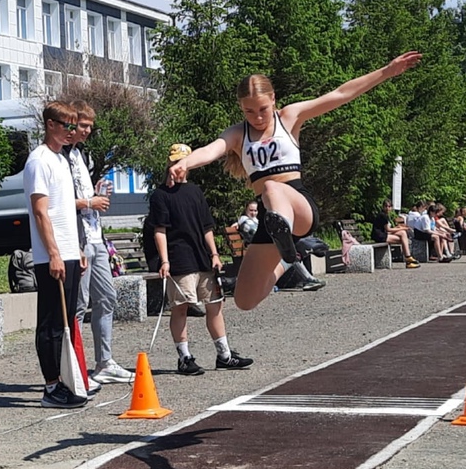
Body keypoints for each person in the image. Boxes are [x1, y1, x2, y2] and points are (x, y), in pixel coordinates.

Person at [168, 53, 422, 310]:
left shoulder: (288, 117)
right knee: (246, 299)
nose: (257, 117)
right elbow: (211, 150)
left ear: (274, 99)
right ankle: (287, 262)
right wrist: (185, 162)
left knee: (270, 187)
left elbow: (340, 94)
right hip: (271, 218)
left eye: (263, 109)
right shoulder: (237, 134)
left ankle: (286, 232)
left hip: (299, 207)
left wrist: (387, 71)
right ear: (241, 108)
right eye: (249, 111)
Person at [151, 144, 254, 375]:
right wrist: (165, 261)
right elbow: (160, 229)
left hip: (202, 257)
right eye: (175, 162)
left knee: (215, 305)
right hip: (180, 257)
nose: (179, 167)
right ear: (169, 163)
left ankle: (224, 354)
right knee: (181, 307)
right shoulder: (160, 194)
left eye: (183, 162)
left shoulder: (196, 192)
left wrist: (215, 254)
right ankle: (184, 357)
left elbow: (207, 227)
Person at [24, 101, 89, 409]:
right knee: (51, 320)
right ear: (50, 124)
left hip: (69, 251)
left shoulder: (62, 159)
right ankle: (51, 386)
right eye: (67, 126)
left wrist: (75, 247)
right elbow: (41, 212)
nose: (72, 132)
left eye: (74, 126)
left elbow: (64, 210)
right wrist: (53, 253)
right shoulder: (38, 161)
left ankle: (66, 379)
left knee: (68, 319)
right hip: (50, 254)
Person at [68, 101, 134, 387]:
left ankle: (104, 362)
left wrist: (94, 195)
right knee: (79, 305)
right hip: (78, 240)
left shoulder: (81, 155)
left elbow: (82, 197)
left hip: (95, 236)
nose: (87, 131)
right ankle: (73, 367)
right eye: (83, 126)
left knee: (107, 297)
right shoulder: (59, 156)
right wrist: (88, 202)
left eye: (90, 127)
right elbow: (55, 203)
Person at [371, 199, 420, 268]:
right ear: (383, 207)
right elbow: (388, 229)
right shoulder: (383, 216)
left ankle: (408, 259)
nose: (387, 208)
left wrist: (399, 227)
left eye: (389, 206)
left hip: (383, 234)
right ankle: (408, 258)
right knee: (403, 237)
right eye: (386, 206)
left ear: (391, 207)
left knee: (403, 234)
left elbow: (388, 229)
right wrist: (403, 228)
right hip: (379, 236)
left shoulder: (386, 215)